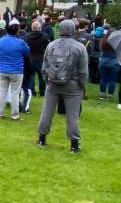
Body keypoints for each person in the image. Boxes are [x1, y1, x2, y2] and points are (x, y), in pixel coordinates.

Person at [37, 20, 88, 152]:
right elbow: (83, 71)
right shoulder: (79, 47)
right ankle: (74, 144)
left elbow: (44, 67)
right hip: (73, 85)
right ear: (73, 30)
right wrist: (82, 86)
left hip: (52, 83)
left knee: (47, 112)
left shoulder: (51, 45)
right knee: (72, 115)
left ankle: (42, 138)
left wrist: (47, 81)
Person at [0, 20, 29, 120]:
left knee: (2, 91)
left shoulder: (1, 40)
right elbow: (27, 52)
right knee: (15, 93)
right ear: (17, 31)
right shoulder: (21, 42)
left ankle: (0, 113)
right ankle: (15, 115)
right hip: (16, 71)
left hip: (3, 69)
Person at [25, 21, 49, 98]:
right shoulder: (45, 36)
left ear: (32, 28)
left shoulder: (27, 36)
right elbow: (47, 47)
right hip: (41, 58)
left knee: (31, 76)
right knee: (42, 76)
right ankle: (42, 91)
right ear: (39, 28)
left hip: (30, 58)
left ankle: (32, 91)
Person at [97, 29, 118, 101]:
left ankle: (102, 95)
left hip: (103, 62)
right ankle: (109, 96)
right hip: (114, 63)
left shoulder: (102, 41)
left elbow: (100, 50)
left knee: (103, 79)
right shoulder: (116, 42)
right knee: (112, 80)